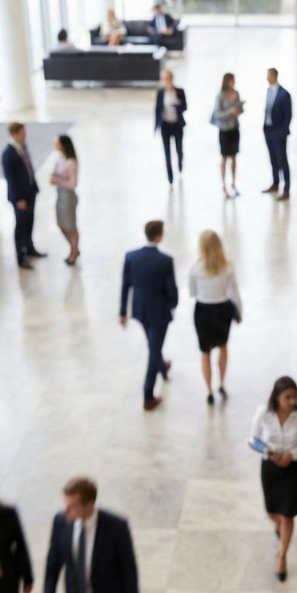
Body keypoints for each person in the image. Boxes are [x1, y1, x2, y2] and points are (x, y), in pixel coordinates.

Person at [42, 477, 140, 593]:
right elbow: (52, 568)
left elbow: (129, 575)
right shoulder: (60, 522)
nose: (65, 511)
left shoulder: (117, 528)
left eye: (72, 507)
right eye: (65, 504)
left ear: (89, 506)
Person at [250, 377, 297, 582]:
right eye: (288, 397)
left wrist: (290, 455)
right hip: (270, 468)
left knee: (288, 515)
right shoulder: (264, 414)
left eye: (295, 397)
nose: (293, 401)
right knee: (272, 512)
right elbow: (253, 439)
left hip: (293, 470)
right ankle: (278, 525)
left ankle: (282, 555)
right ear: (276, 397)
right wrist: (270, 454)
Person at [119, 221, 177, 410]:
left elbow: (125, 285)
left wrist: (122, 312)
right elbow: (171, 290)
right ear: (159, 236)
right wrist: (173, 304)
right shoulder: (165, 260)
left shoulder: (131, 256)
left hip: (140, 310)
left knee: (154, 343)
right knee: (154, 349)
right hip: (159, 312)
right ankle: (148, 395)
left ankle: (162, 366)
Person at [189, 230, 241, 405]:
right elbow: (235, 292)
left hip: (203, 311)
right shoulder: (228, 267)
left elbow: (192, 292)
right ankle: (222, 383)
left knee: (205, 352)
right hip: (222, 311)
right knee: (223, 347)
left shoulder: (195, 268)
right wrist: (239, 311)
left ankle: (209, 390)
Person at [1, 122, 46, 270]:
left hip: (30, 193)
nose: (25, 136)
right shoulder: (8, 153)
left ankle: (29, 247)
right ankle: (20, 257)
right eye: (22, 133)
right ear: (15, 134)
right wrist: (18, 199)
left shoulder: (22, 147)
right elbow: (11, 179)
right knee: (20, 226)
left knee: (30, 222)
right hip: (20, 198)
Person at [261, 68, 292, 200]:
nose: (267, 78)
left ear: (274, 76)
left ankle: (286, 188)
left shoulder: (284, 94)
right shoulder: (268, 91)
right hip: (268, 129)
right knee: (273, 158)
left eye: (268, 75)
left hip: (278, 132)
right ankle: (275, 182)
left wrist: (282, 132)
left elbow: (288, 116)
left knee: (282, 160)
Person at [49, 135, 80, 266]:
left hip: (68, 196)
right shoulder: (60, 159)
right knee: (61, 223)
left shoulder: (71, 162)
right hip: (60, 195)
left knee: (71, 226)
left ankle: (73, 251)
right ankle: (74, 247)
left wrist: (58, 180)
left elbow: (73, 183)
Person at [212, 72, 244, 198]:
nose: (233, 83)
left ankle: (234, 183)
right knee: (224, 158)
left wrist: (239, 110)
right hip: (224, 130)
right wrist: (230, 112)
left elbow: (241, 109)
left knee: (234, 157)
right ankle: (224, 185)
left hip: (234, 129)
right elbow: (217, 114)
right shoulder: (220, 96)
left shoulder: (236, 94)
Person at [154, 70, 187, 186]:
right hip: (165, 126)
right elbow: (157, 110)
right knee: (167, 152)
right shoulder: (161, 93)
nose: (166, 80)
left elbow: (184, 107)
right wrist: (156, 126)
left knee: (179, 148)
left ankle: (180, 163)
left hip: (177, 125)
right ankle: (170, 178)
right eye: (164, 78)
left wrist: (177, 105)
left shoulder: (179, 91)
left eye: (168, 78)